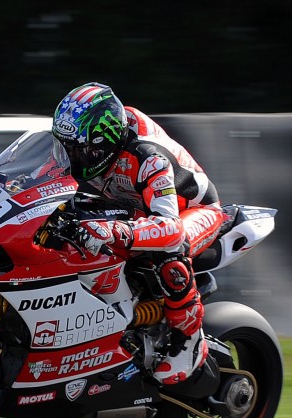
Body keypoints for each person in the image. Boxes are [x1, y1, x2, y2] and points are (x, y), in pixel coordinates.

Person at [51, 82, 225, 385]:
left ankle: (190, 339)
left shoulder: (148, 158)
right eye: (65, 149)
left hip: (190, 211)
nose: (71, 159)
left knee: (171, 252)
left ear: (105, 143)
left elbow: (169, 228)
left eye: (80, 151)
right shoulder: (85, 143)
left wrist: (114, 231)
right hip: (132, 206)